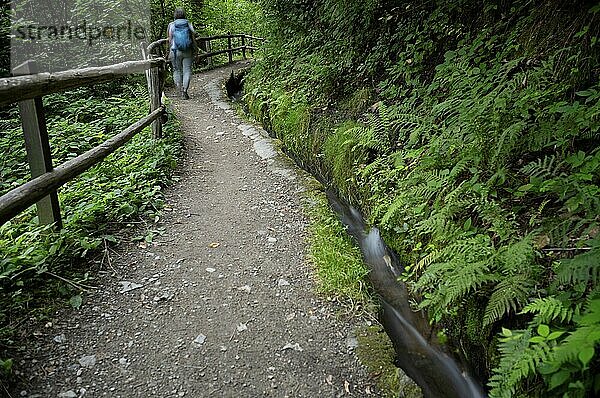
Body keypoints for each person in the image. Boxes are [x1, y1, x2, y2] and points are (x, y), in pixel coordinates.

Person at [168, 8, 196, 99]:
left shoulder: (171, 25)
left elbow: (170, 39)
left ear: (175, 15)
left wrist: (168, 51)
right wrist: (196, 49)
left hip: (175, 51)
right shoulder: (188, 23)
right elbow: (193, 37)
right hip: (187, 50)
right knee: (187, 70)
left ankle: (179, 91)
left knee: (176, 70)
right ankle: (184, 91)